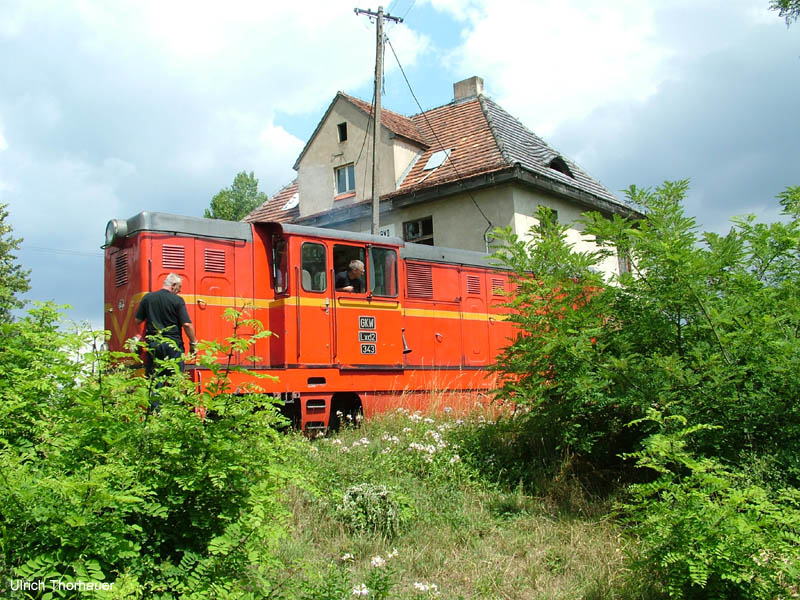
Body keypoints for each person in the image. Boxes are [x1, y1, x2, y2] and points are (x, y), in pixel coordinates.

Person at [134, 273, 197, 378]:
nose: (180, 290)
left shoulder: (148, 298)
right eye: (179, 287)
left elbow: (137, 320)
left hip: (154, 344)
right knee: (175, 379)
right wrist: (193, 343)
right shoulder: (178, 300)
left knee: (155, 379)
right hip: (173, 345)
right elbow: (187, 324)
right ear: (173, 285)